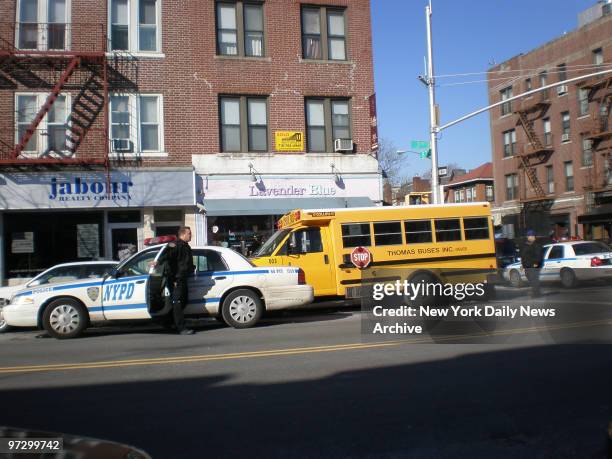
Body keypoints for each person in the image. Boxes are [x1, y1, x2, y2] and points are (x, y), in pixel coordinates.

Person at [165, 226, 196, 335]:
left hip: (183, 278)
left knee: (184, 301)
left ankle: (168, 322)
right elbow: (170, 263)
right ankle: (181, 328)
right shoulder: (175, 246)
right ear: (182, 234)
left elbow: (185, 263)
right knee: (177, 304)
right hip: (176, 280)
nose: (191, 235)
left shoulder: (186, 246)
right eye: (189, 233)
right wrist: (173, 278)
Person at [520, 229, 544, 298]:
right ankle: (536, 291)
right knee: (529, 277)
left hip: (533, 265)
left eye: (531, 236)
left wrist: (536, 264)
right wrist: (522, 264)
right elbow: (523, 255)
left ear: (534, 237)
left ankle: (536, 293)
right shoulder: (526, 245)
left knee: (534, 279)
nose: (529, 237)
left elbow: (539, 255)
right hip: (527, 265)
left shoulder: (536, 245)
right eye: (528, 236)